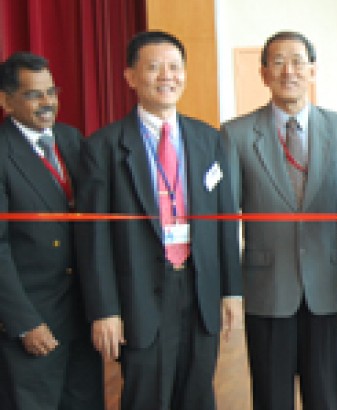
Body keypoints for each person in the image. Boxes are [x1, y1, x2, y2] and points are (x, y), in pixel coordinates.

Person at [74, 31, 243, 410]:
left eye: (174, 67)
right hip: (139, 296)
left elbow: (224, 219)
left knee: (198, 395)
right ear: (131, 77)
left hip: (199, 290)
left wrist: (232, 289)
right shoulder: (102, 147)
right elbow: (93, 238)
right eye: (153, 68)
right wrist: (104, 309)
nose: (167, 76)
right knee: (145, 397)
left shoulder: (208, 139)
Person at [220, 31, 337, 410]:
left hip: (324, 282)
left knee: (324, 393)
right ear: (263, 73)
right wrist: (230, 288)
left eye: (298, 61)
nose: (288, 71)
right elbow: (225, 218)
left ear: (313, 70)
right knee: (271, 396)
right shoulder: (236, 134)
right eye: (277, 62)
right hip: (266, 287)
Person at [0, 52, 103, 410]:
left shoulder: (71, 140)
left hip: (81, 314)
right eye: (34, 94)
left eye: (52, 92)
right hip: (33, 319)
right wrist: (24, 322)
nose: (48, 103)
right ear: (6, 100)